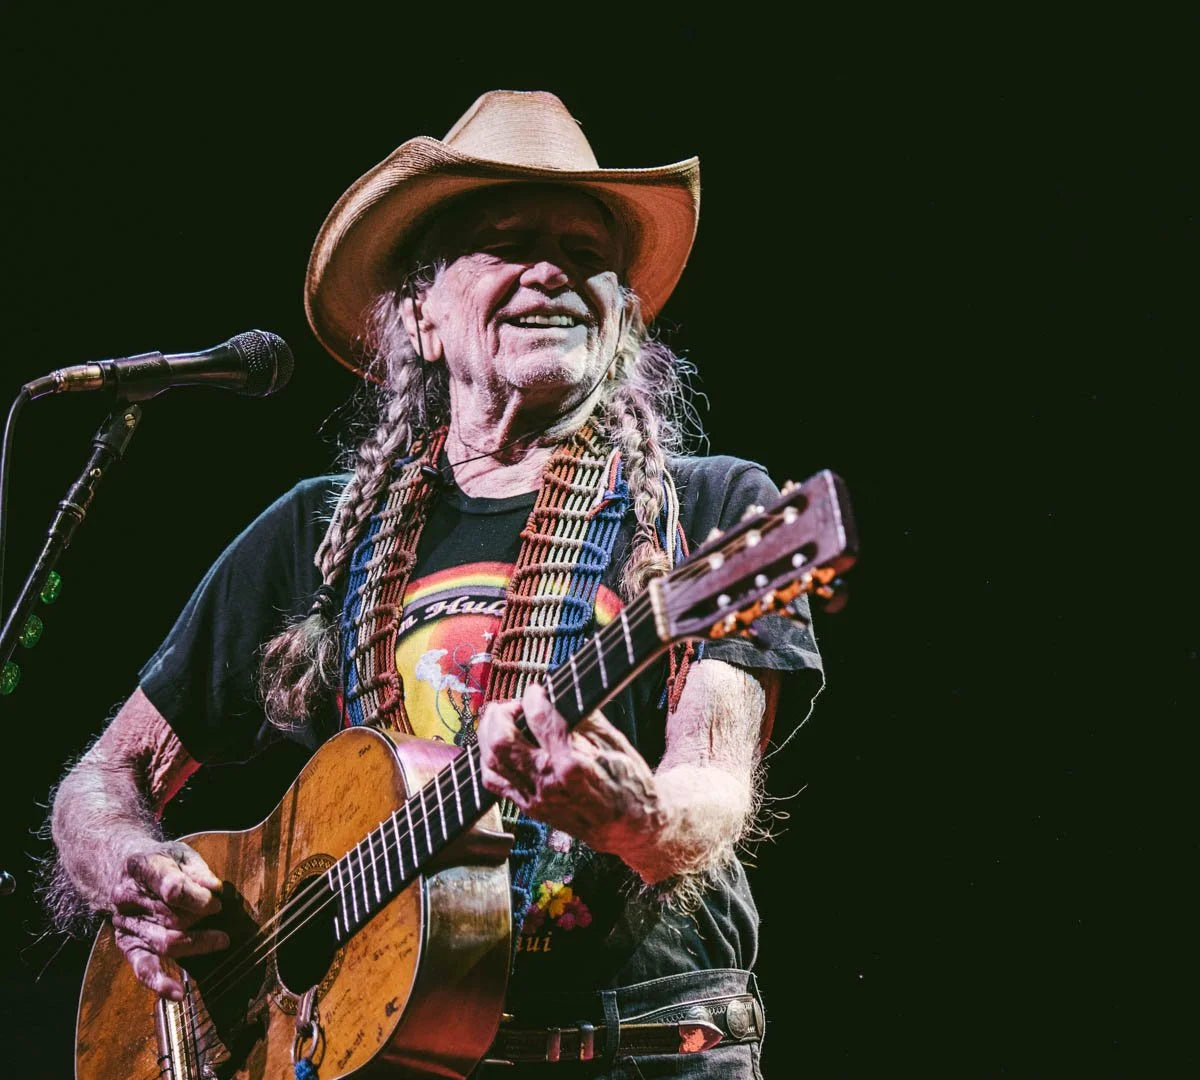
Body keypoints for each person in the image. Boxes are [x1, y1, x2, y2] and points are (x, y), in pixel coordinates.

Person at [49, 90, 824, 1078]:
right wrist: (128, 867)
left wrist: (642, 820)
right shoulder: (318, 530)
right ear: (419, 313)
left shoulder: (713, 513)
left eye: (588, 254)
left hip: (639, 1053)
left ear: (625, 314)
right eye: (508, 242)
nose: (552, 271)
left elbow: (714, 783)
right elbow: (104, 780)